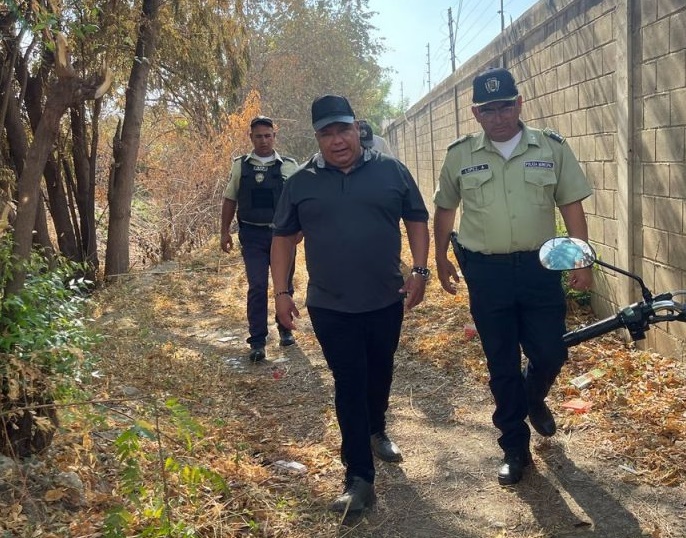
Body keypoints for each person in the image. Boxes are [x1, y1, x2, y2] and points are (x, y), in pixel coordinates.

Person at [433, 67, 593, 486]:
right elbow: (445, 209)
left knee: (551, 351)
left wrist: (582, 258)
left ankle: (532, 396)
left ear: (519, 104)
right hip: (486, 272)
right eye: (489, 109)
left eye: (505, 105)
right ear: (475, 113)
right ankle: (514, 447)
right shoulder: (460, 155)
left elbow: (571, 204)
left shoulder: (552, 147)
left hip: (542, 268)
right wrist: (440, 257)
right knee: (500, 361)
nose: (498, 116)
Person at [270, 95, 430, 513]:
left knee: (380, 370)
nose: (337, 140)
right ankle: (359, 476)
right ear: (317, 137)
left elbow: (416, 218)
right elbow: (283, 238)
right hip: (330, 304)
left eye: (343, 129)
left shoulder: (391, 171)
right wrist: (281, 292)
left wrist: (420, 270)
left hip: (385, 298)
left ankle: (376, 430)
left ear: (357, 128)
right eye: (327, 132)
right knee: (349, 380)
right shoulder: (300, 182)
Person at [220, 115, 299, 362]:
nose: (263, 140)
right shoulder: (240, 166)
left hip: (282, 235)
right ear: (250, 137)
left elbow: (299, 202)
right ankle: (257, 340)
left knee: (284, 284)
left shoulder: (289, 166)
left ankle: (285, 328)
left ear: (275, 136)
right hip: (252, 235)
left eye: (268, 135)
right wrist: (224, 232)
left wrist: (300, 230)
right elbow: (230, 198)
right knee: (257, 286)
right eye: (258, 136)